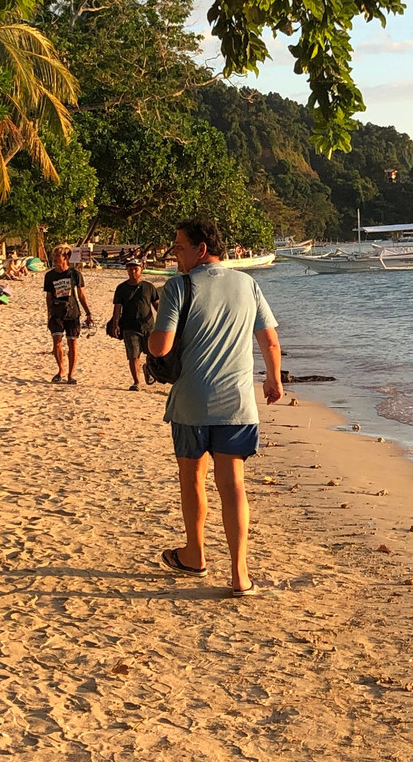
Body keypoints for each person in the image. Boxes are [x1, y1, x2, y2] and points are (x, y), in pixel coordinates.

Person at [148, 218, 282, 597]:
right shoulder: (248, 283)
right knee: (234, 484)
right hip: (237, 403)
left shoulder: (178, 286)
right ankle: (240, 575)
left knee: (192, 479)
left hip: (191, 402)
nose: (175, 253)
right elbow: (270, 341)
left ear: (201, 249)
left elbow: (160, 347)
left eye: (179, 247)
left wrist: (150, 336)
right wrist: (273, 379)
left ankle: (195, 554)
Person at [43, 244, 93, 384]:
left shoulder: (74, 274)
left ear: (66, 257)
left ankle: (71, 374)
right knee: (57, 342)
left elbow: (81, 295)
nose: (54, 258)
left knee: (72, 343)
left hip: (72, 312)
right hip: (56, 312)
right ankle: (61, 370)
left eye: (57, 256)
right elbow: (49, 296)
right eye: (54, 256)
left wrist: (88, 313)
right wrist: (49, 315)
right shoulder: (50, 275)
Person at [111, 258, 160, 391]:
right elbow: (117, 308)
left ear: (141, 270)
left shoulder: (149, 287)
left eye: (135, 269)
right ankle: (136, 382)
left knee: (151, 354)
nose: (133, 271)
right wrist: (116, 325)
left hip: (148, 326)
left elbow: (157, 305)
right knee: (133, 355)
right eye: (130, 269)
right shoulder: (121, 288)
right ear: (127, 270)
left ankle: (147, 369)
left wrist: (164, 321)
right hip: (129, 326)